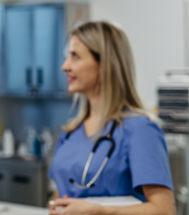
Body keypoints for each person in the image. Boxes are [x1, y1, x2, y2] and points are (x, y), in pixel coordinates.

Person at [48, 21, 175, 215]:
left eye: (75, 57)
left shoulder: (140, 129)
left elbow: (164, 210)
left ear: (105, 63)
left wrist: (100, 211)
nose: (65, 66)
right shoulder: (70, 132)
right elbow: (61, 196)